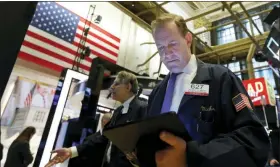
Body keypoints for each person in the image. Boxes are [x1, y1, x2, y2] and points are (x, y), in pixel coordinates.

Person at [143, 13, 270, 167]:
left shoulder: (221, 78)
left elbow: (252, 139)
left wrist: (191, 157)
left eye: (173, 43)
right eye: (161, 47)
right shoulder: (157, 93)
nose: (167, 53)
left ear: (188, 39)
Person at [45, 71, 147, 167]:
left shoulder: (143, 108)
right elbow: (103, 136)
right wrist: (72, 151)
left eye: (116, 84)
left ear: (128, 87)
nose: (111, 87)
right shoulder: (118, 111)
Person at [45, 113, 112, 167]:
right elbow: (84, 148)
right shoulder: (91, 139)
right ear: (104, 122)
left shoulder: (108, 138)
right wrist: (70, 151)